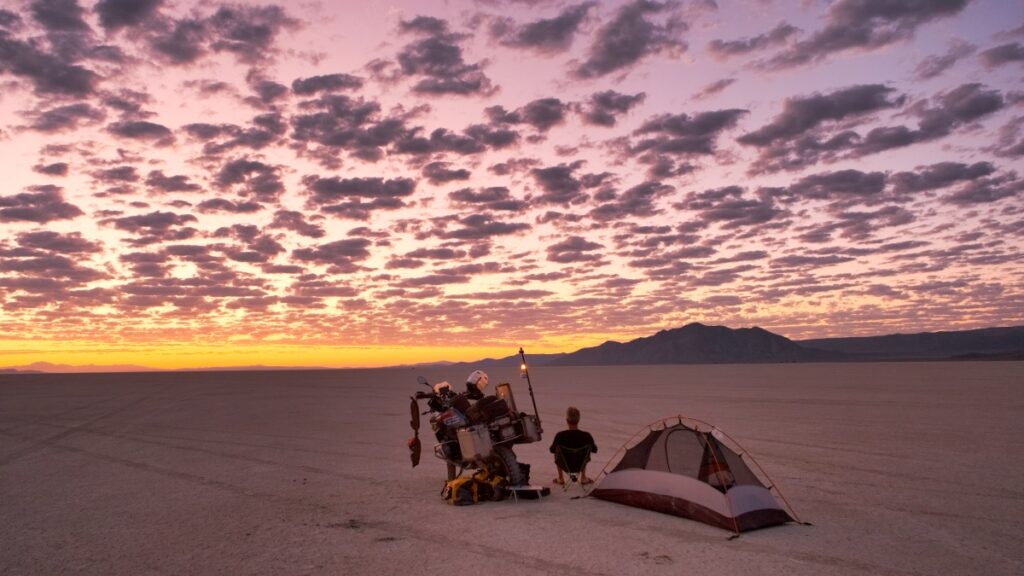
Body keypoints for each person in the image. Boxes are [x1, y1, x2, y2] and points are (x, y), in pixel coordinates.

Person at [550, 406, 597, 485]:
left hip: (565, 465)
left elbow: (552, 450)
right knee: (586, 451)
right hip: (580, 465)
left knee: (556, 450)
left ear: (567, 420)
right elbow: (595, 450)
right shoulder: (586, 436)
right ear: (578, 420)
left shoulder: (560, 435)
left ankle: (561, 478)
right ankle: (583, 477)